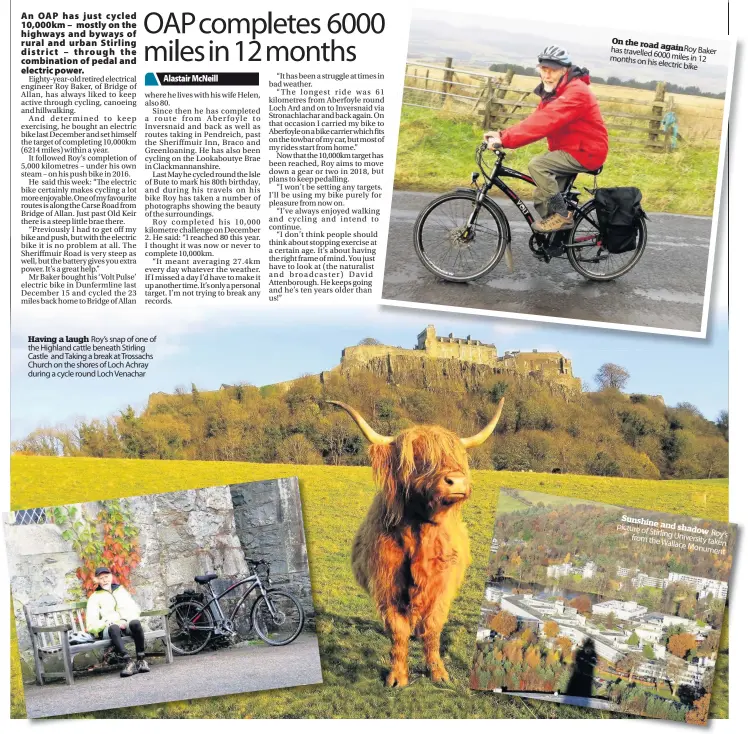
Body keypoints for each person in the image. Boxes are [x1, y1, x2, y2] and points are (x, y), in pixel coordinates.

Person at [484, 45, 608, 233]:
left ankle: (563, 217)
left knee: (538, 166)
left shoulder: (577, 92)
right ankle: (558, 239)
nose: (547, 75)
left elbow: (545, 122)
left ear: (565, 70)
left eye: (553, 70)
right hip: (570, 148)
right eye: (544, 69)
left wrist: (506, 140)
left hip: (586, 151)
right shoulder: (555, 91)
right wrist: (502, 135)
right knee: (542, 196)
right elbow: (535, 120)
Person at [86, 566, 150, 677]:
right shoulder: (94, 597)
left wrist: (125, 620)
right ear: (96, 580)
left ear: (111, 576)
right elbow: (91, 624)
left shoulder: (120, 590)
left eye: (106, 577)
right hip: (109, 630)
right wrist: (106, 622)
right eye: (101, 578)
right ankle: (128, 662)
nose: (105, 580)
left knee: (135, 623)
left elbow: (134, 608)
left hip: (124, 625)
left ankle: (141, 660)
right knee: (114, 627)